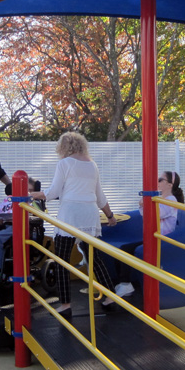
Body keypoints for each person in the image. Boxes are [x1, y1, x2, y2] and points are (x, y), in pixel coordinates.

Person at [30, 132, 117, 317]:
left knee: (62, 260)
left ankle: (65, 304)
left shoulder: (64, 164)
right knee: (95, 258)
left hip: (70, 215)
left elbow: (53, 192)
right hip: (90, 215)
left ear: (64, 147)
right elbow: (100, 196)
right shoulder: (92, 165)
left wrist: (33, 195)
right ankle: (110, 297)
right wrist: (110, 215)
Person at [114, 171, 185, 298]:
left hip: (162, 240)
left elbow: (157, 214)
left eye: (160, 180)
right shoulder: (161, 199)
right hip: (154, 238)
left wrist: (145, 203)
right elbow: (145, 214)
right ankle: (124, 283)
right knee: (121, 250)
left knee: (126, 250)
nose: (156, 182)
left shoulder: (171, 200)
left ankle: (126, 284)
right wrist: (143, 204)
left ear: (170, 184)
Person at [0, 177, 43, 275]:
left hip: (20, 228)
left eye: (30, 190)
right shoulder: (9, 201)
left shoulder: (33, 202)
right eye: (26, 190)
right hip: (4, 225)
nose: (28, 193)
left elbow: (38, 217)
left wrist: (18, 218)